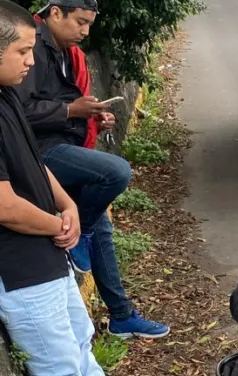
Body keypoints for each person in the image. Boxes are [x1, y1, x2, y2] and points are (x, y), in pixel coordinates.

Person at [14, 0, 169, 339]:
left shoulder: (62, 49)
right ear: (56, 13)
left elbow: (59, 103)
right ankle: (79, 234)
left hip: (62, 143)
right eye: (80, 22)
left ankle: (121, 314)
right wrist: (71, 110)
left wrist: (92, 114)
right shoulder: (33, 48)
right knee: (116, 171)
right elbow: (19, 110)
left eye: (89, 25)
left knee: (102, 231)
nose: (85, 32)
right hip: (41, 151)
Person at [0, 1, 104, 374]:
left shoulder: (9, 94)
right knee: (59, 365)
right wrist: (59, 225)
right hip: (20, 270)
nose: (31, 62)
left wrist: (68, 205)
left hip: (48, 255)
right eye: (23, 51)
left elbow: (33, 159)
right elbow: (5, 207)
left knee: (82, 343)